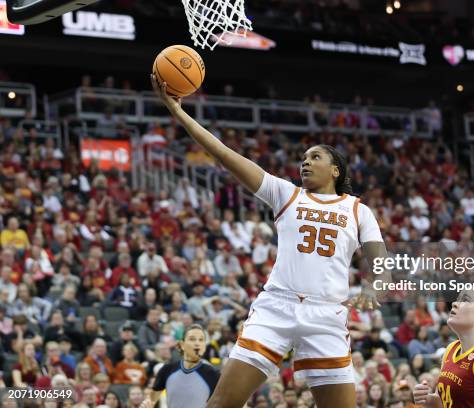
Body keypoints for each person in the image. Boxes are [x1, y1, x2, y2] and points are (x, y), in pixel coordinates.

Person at [152, 74, 386, 408]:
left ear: (336, 170)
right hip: (276, 306)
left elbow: (380, 261)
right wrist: (178, 113)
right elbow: (222, 153)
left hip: (326, 315)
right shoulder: (286, 194)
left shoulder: (358, 209)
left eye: (315, 157)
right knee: (220, 404)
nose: (305, 162)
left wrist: (372, 287)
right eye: (303, 158)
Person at [140, 324, 220, 408]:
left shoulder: (213, 374)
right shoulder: (167, 370)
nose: (197, 343)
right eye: (192, 339)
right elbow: (150, 402)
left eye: (201, 340)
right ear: (182, 344)